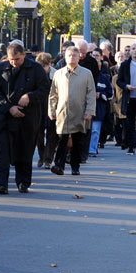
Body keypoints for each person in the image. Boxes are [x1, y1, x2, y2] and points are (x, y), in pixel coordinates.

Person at [0, 42, 49, 194]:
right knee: (1, 150)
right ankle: (1, 182)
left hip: (27, 116)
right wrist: (9, 107)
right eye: (11, 60)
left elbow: (44, 89)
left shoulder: (35, 69)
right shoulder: (0, 69)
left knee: (25, 150)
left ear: (23, 55)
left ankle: (23, 182)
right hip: (5, 116)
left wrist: (30, 96)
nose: (14, 63)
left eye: (17, 59)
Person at [49, 46, 96, 176]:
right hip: (62, 113)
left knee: (77, 140)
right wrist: (51, 110)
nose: (71, 58)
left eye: (74, 55)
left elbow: (91, 93)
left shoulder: (86, 73)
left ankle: (75, 166)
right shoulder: (58, 74)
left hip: (79, 112)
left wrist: (90, 111)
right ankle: (59, 165)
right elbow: (53, 94)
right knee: (62, 139)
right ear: (65, 57)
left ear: (79, 57)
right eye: (69, 55)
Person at [35, 52, 58, 168]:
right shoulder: (36, 73)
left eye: (44, 66)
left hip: (51, 105)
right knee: (38, 134)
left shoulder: (55, 74)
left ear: (49, 64)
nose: (42, 69)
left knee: (51, 134)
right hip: (39, 106)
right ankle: (41, 156)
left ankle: (48, 159)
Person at [88, 48, 113, 157]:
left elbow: (110, 93)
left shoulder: (104, 78)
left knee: (95, 130)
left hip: (99, 109)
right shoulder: (86, 77)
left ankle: (92, 149)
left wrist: (101, 95)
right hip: (86, 107)